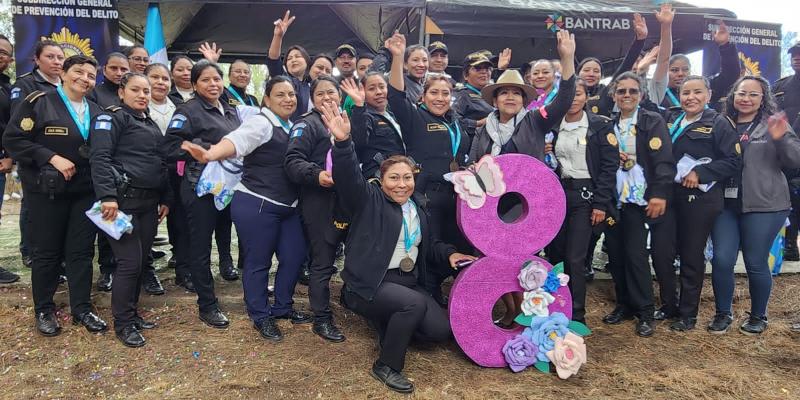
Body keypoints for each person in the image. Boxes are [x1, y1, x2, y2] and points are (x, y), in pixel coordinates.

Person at [322, 101, 474, 394]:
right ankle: (387, 365)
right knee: (413, 304)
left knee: (438, 331)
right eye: (394, 178)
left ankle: (388, 323)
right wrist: (343, 143)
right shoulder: (369, 200)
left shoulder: (417, 206)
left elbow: (429, 246)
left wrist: (450, 254)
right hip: (368, 283)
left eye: (407, 177)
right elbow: (349, 177)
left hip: (406, 282)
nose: (401, 184)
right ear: (381, 180)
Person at [182, 76, 310, 342]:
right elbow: (237, 141)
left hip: (289, 206)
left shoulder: (292, 125)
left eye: (291, 94)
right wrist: (211, 153)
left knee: (294, 256)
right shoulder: (261, 122)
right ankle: (260, 315)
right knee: (258, 262)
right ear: (266, 100)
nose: (288, 99)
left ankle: (283, 307)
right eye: (280, 95)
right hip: (258, 202)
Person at [3, 55, 108, 336]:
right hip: (46, 193)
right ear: (63, 73)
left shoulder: (97, 111)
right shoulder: (39, 101)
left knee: (81, 253)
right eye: (78, 72)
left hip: (84, 193)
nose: (84, 79)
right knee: (47, 253)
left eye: (90, 75)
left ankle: (82, 309)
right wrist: (50, 157)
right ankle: (44, 309)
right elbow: (13, 139)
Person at [709, 76, 800, 336]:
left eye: (753, 95)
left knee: (755, 261)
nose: (746, 99)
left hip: (765, 204)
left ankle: (759, 316)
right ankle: (722, 313)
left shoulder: (772, 123)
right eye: (741, 93)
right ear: (732, 96)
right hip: (726, 204)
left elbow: (795, 159)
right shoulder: (722, 122)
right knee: (722, 259)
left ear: (763, 99)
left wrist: (781, 137)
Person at [385, 32, 470, 305]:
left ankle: (453, 297)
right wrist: (398, 57)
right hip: (426, 197)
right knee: (429, 247)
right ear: (423, 96)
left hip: (455, 198)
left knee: (453, 245)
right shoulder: (414, 117)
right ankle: (428, 298)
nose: (440, 97)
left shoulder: (457, 124)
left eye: (445, 93)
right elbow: (396, 96)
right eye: (434, 92)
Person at [89, 72, 171, 347]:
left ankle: (132, 315)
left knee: (140, 261)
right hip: (121, 206)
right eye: (136, 90)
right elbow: (99, 158)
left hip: (148, 204)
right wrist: (107, 197)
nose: (142, 95)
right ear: (121, 92)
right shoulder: (110, 117)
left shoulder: (148, 122)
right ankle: (123, 324)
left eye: (146, 91)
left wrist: (165, 198)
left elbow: (160, 163)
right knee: (129, 263)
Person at [164, 61, 241, 329]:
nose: (213, 84)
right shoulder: (187, 111)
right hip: (200, 186)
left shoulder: (230, 110)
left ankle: (223, 276)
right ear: (194, 84)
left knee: (224, 234)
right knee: (200, 245)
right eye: (206, 80)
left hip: (228, 186)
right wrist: (208, 149)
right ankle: (207, 304)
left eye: (217, 79)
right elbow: (170, 146)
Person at [662, 76, 740, 331]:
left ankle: (687, 314)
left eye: (697, 92)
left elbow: (734, 161)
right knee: (663, 253)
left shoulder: (718, 123)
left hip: (700, 199)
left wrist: (701, 174)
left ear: (708, 94)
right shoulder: (672, 119)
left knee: (691, 255)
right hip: (669, 196)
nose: (690, 97)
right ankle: (668, 306)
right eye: (685, 93)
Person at [600, 71, 676, 338]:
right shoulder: (608, 124)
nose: (627, 96)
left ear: (641, 95)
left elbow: (664, 161)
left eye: (633, 91)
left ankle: (645, 311)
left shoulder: (651, 120)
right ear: (614, 96)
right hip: (614, 200)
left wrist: (659, 194)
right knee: (616, 256)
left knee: (635, 256)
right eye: (622, 91)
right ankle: (624, 305)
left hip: (638, 200)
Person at [545, 78, 618, 326]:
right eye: (569, 95)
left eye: (579, 94)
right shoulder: (553, 126)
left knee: (575, 257)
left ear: (587, 97)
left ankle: (576, 315)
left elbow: (610, 167)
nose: (573, 99)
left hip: (586, 197)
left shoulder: (599, 126)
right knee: (555, 254)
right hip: (558, 195)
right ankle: (555, 307)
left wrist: (600, 204)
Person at [285, 76, 346, 342]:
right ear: (312, 98)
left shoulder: (344, 122)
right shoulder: (306, 124)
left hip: (347, 200)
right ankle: (322, 318)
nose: (327, 98)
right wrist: (316, 174)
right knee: (322, 262)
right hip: (319, 201)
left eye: (331, 92)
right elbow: (292, 161)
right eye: (320, 94)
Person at [10, 40, 65, 272]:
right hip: (36, 160)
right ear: (37, 59)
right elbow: (18, 125)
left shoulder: (66, 84)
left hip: (64, 160)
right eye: (50, 57)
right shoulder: (26, 85)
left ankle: (57, 254)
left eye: (60, 58)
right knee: (33, 208)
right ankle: (30, 251)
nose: (56, 62)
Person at [146, 63, 194, 292]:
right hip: (143, 177)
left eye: (164, 79)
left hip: (174, 174)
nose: (160, 82)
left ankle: (183, 270)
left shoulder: (179, 107)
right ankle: (146, 273)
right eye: (154, 77)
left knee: (181, 223)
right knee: (145, 227)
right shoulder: (135, 107)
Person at [579, 12, 648, 117]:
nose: (591, 74)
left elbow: (625, 66)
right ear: (577, 73)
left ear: (601, 76)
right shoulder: (569, 92)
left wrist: (640, 40)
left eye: (596, 71)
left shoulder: (606, 92)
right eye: (587, 70)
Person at [663, 20, 739, 110]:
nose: (681, 74)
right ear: (665, 72)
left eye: (685, 69)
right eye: (674, 70)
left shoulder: (704, 87)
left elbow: (730, 75)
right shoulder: (658, 94)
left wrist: (724, 45)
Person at [340, 73, 404, 179]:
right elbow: (359, 141)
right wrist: (359, 105)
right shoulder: (364, 116)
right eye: (372, 89)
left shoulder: (392, 113)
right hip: (379, 176)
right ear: (363, 92)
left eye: (382, 87)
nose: (378, 92)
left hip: (400, 173)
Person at [772, 43, 800, 261]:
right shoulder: (781, 86)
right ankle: (788, 243)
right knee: (789, 196)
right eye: (794, 55)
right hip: (785, 150)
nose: (796, 58)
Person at [267, 11, 312, 120]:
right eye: (289, 58)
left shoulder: (312, 85)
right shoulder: (284, 79)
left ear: (307, 61)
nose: (293, 60)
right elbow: (273, 59)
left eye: (297, 56)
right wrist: (278, 36)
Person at [453, 50, 507, 140]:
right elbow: (452, 119)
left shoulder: (492, 94)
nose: (484, 72)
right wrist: (478, 123)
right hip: (472, 145)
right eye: (478, 69)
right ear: (466, 75)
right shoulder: (461, 95)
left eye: (487, 69)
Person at [0, 34, 19, 284]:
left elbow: (11, 127)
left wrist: (10, 156)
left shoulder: (8, 87)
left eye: (4, 52)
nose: (0, 56)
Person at [197, 42, 259, 107]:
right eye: (238, 71)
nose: (243, 75)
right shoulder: (222, 94)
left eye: (246, 72)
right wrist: (212, 63)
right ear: (229, 76)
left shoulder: (253, 99)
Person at [370, 36, 429, 104]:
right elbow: (373, 75)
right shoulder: (396, 81)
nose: (421, 65)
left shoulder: (427, 82)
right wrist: (384, 52)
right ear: (405, 64)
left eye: (424, 60)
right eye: (415, 60)